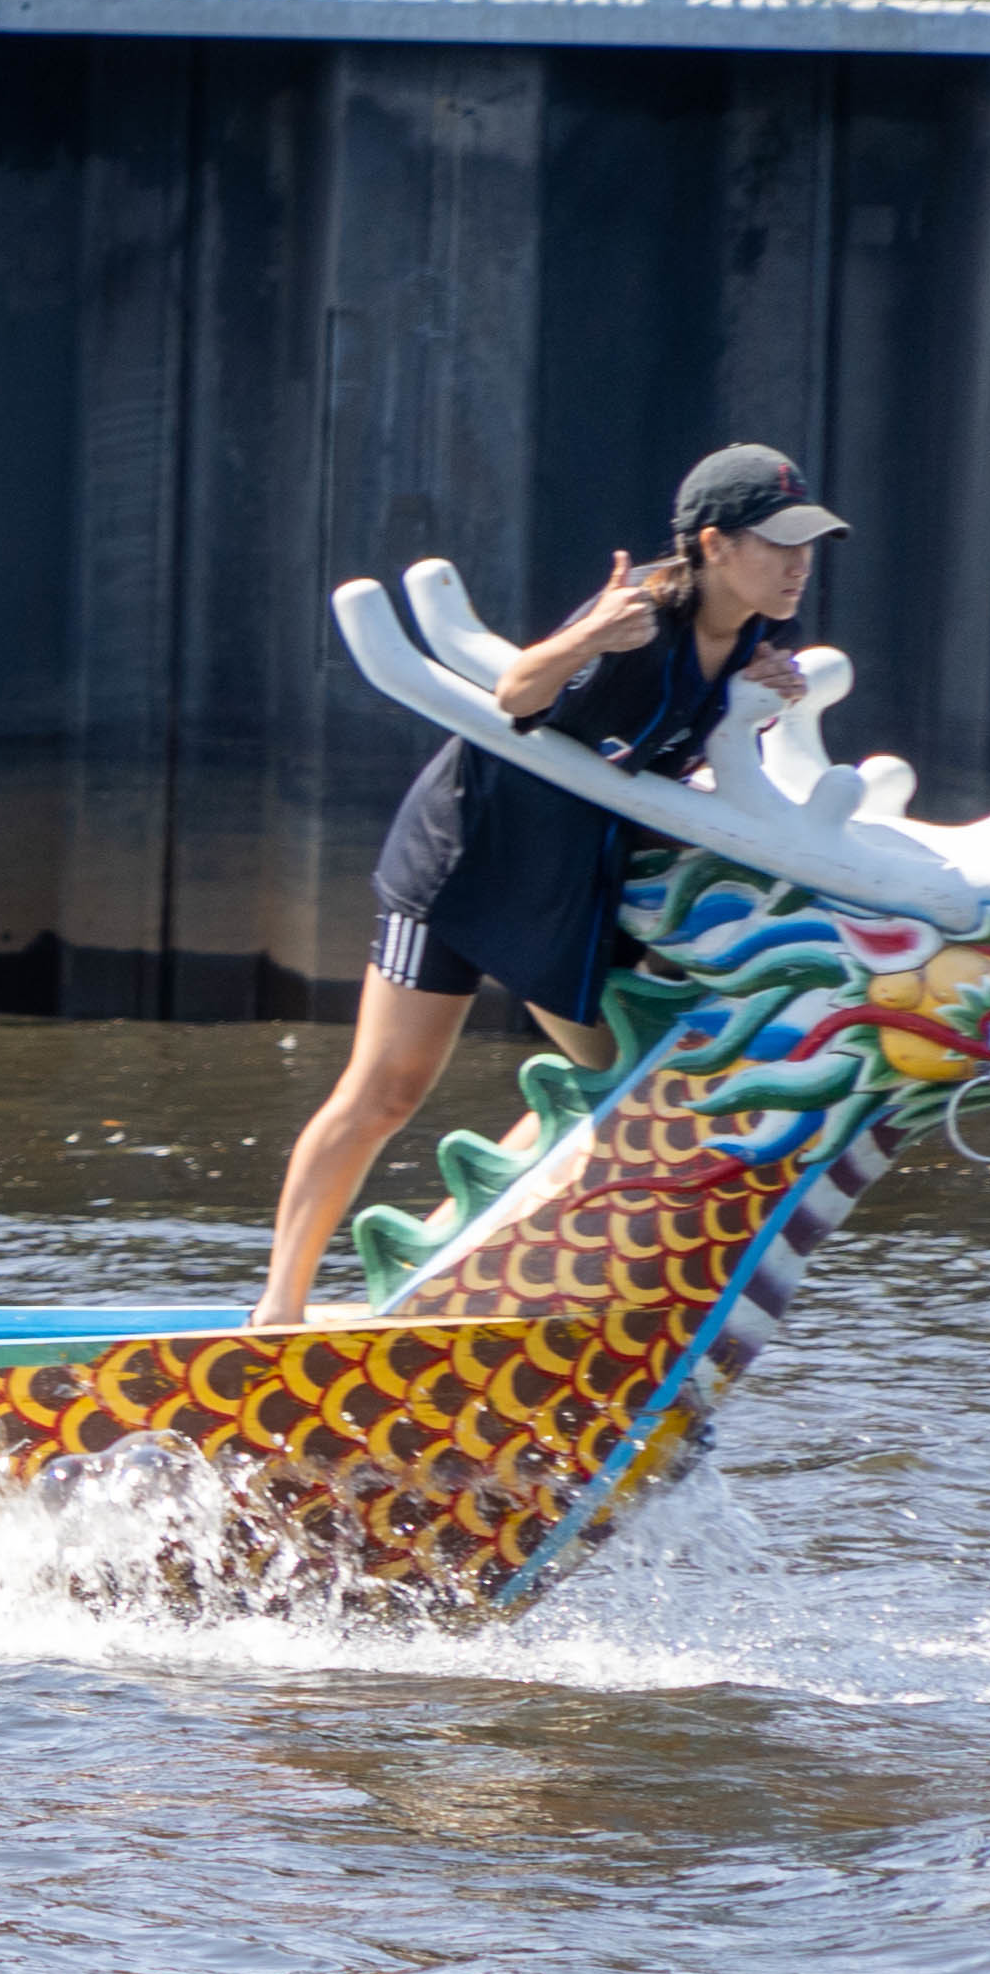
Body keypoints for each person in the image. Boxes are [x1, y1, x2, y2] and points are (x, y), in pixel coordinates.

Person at [254, 443, 842, 1325]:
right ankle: (277, 1311)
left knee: (636, 1077)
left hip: (571, 881)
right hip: (466, 861)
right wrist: (587, 637)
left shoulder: (760, 641)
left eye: (809, 543)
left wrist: (760, 705)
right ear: (714, 545)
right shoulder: (641, 612)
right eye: (778, 542)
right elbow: (518, 694)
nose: (800, 564)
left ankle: (462, 1259)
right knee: (387, 1089)